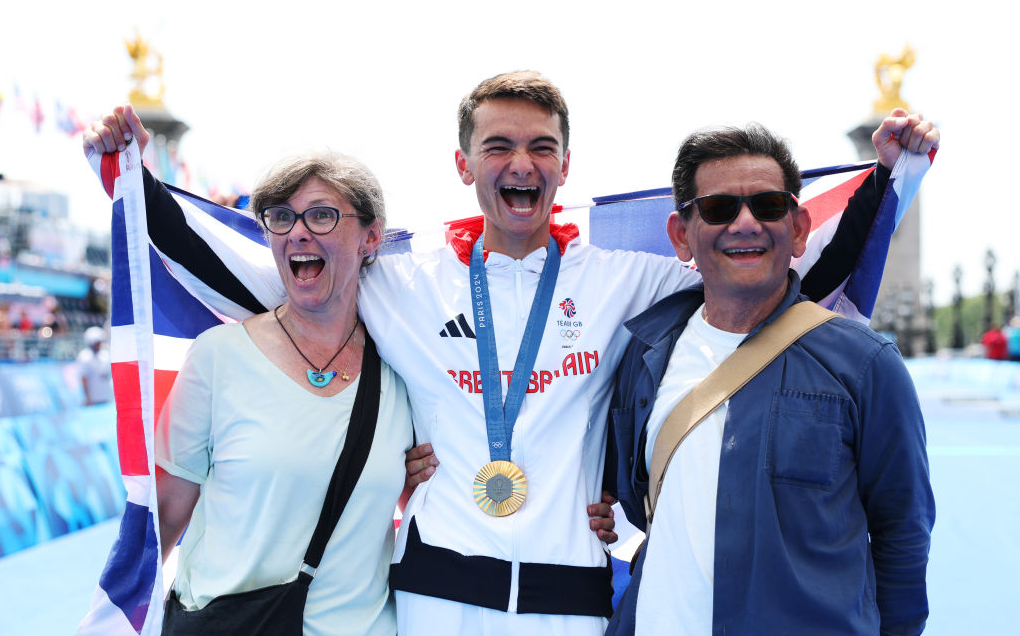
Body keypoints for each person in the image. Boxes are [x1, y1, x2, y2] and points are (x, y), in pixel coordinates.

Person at [85, 71, 935, 635]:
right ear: (464, 164)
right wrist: (133, 187)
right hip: (431, 600)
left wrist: (891, 181)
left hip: (568, 604)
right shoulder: (401, 283)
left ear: (565, 166)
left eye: (539, 147)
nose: (519, 163)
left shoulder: (628, 283)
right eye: (498, 146)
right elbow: (254, 263)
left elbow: (776, 257)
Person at [606, 123, 937, 635]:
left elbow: (903, 537)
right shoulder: (643, 355)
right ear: (681, 235)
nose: (745, 223)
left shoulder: (867, 366)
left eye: (767, 206)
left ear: (799, 229)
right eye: (718, 208)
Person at [82, 139, 418, 634]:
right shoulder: (219, 356)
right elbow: (166, 518)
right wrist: (115, 622)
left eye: (322, 215)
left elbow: (422, 496)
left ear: (371, 238)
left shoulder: (405, 367)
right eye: (281, 217)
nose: (298, 232)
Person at [77, 325, 112, 405]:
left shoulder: (105, 355)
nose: (99, 344)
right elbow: (83, 379)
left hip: (107, 399)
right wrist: (87, 398)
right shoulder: (84, 357)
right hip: (93, 401)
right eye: (96, 342)